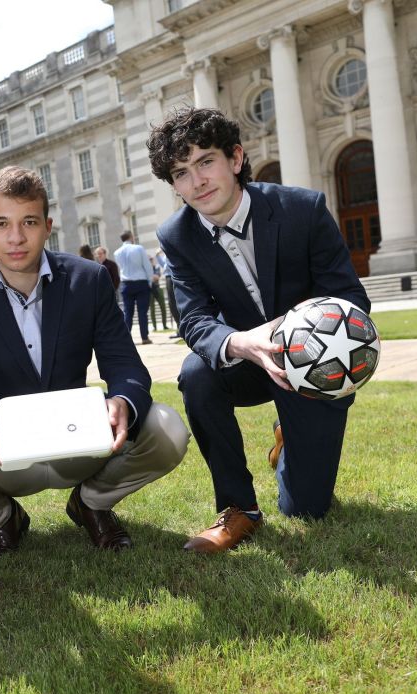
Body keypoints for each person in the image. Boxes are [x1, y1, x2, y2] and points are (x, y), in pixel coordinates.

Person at [0, 166, 189, 569]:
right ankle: (6, 520)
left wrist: (123, 400)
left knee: (168, 429)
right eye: (2, 224)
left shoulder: (88, 281)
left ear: (47, 226)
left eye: (29, 222)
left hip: (81, 441)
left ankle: (91, 504)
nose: (16, 237)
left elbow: (124, 364)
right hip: (5, 451)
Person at [147, 107, 369, 554]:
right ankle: (238, 510)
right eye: (181, 173)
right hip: (248, 361)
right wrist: (240, 342)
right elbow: (193, 320)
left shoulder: (302, 209)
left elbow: (351, 300)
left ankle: (287, 439)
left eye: (205, 161)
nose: (197, 181)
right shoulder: (177, 235)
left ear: (234, 157)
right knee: (196, 373)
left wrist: (301, 329)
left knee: (306, 509)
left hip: (313, 363)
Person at [113, 231, 154, 344]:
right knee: (142, 312)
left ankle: (126, 338)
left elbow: (121, 267)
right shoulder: (139, 248)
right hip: (141, 282)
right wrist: (149, 281)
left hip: (126, 284)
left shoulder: (117, 252)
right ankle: (144, 337)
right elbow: (147, 266)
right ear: (131, 237)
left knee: (127, 312)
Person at [157, 249, 182, 338]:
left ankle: (182, 329)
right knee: (172, 304)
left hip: (174, 276)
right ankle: (180, 328)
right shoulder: (165, 254)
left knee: (176, 303)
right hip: (169, 277)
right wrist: (157, 255)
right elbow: (164, 265)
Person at [148, 254, 170, 332]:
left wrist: (150, 276)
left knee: (163, 307)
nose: (151, 261)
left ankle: (164, 325)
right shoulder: (147, 268)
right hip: (149, 290)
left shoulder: (156, 267)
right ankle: (154, 326)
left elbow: (157, 277)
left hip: (157, 288)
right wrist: (152, 276)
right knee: (152, 309)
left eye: (151, 259)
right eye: (149, 260)